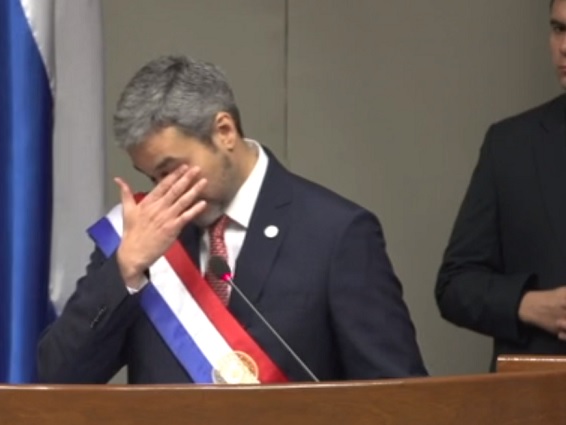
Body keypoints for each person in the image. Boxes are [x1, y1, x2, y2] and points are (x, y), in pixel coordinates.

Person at [38, 55, 427, 384]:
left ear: (224, 131)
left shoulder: (336, 233)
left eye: (171, 170)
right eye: (152, 178)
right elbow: (57, 377)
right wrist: (125, 268)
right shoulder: (139, 237)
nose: (164, 191)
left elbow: (397, 396)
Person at [436, 0, 566, 370]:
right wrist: (528, 304)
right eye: (558, 29)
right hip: (538, 392)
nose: (564, 47)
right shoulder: (510, 145)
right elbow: (455, 285)